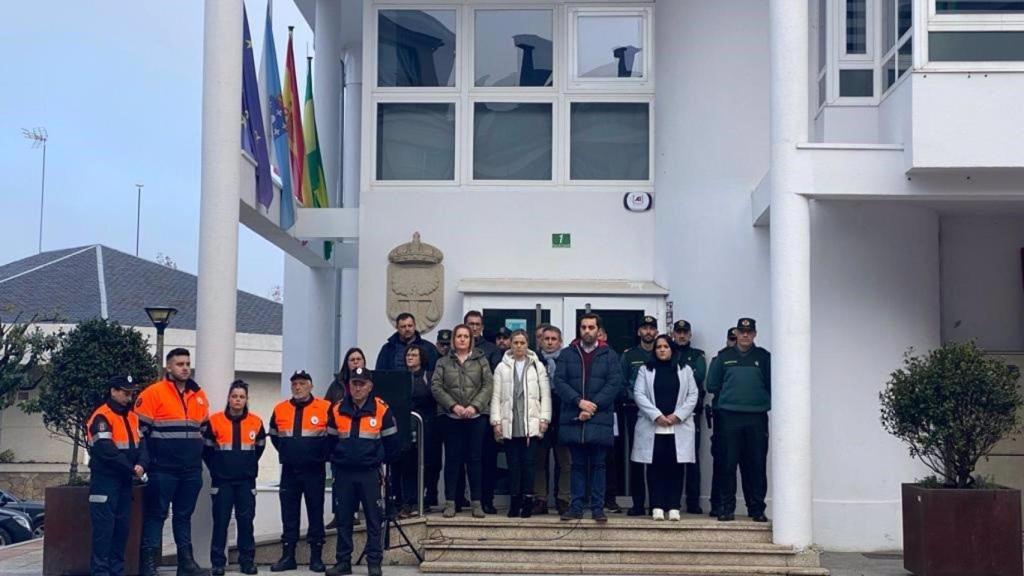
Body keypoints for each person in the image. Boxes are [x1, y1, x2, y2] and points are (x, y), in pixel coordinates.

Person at [135, 348, 210, 576]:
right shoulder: (152, 393)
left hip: (190, 470)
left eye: (187, 363)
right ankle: (148, 566)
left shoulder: (198, 395)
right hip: (162, 469)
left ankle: (186, 564)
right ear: (169, 367)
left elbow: (204, 431)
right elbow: (140, 434)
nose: (185, 367)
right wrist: (146, 464)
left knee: (183, 516)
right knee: (156, 516)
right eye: (180, 364)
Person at [325, 367, 400, 576]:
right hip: (344, 474)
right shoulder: (337, 408)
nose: (357, 388)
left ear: (370, 387)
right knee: (344, 520)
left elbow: (392, 443)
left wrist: (377, 461)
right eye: (354, 383)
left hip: (370, 473)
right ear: (349, 386)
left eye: (361, 384)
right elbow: (329, 442)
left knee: (374, 519)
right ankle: (343, 562)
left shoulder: (382, 409)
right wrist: (339, 461)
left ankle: (374, 563)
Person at [554, 313, 623, 523]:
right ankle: (575, 507)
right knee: (576, 465)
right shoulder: (567, 354)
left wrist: (592, 406)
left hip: (598, 418)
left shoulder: (609, 355)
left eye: (591, 327)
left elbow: (614, 384)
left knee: (599, 466)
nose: (587, 331)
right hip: (574, 416)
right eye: (583, 327)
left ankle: (597, 508)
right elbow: (559, 381)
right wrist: (578, 402)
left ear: (598, 330)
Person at [706, 318, 771, 523]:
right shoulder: (724, 357)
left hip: (756, 416)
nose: (745, 335)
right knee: (727, 464)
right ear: (736, 333)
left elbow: (773, 383)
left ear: (754, 334)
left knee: (756, 464)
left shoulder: (764, 357)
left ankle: (756, 508)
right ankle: (726, 508)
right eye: (741, 332)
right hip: (728, 416)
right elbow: (712, 385)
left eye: (748, 332)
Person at [269, 371, 332, 572]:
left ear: (311, 386)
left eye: (302, 383)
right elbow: (274, 437)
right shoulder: (280, 409)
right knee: (288, 514)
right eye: (294, 383)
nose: (298, 387)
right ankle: (288, 556)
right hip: (289, 470)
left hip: (314, 470)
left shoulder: (324, 407)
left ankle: (316, 557)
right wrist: (290, 453)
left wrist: (318, 455)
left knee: (315, 512)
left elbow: (333, 436)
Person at [631, 335, 699, 521]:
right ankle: (657, 505)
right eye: (658, 347)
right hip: (653, 425)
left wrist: (677, 415)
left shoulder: (684, 370)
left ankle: (674, 506)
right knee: (654, 467)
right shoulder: (645, 370)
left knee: (676, 466)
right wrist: (656, 415)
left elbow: (693, 395)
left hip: (678, 425)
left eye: (666, 346)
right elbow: (639, 394)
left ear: (672, 349)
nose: (662, 349)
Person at [203, 381, 266, 575]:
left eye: (241, 396)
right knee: (220, 522)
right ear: (229, 398)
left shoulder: (256, 421)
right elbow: (206, 450)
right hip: (222, 481)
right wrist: (218, 469)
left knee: (246, 522)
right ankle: (218, 563)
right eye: (234, 396)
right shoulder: (214, 421)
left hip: (246, 481)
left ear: (246, 400)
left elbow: (260, 447)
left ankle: (246, 562)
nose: (237, 400)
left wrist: (247, 465)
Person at [432, 324, 493, 518]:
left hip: (476, 417)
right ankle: (450, 502)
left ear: (471, 339)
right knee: (452, 459)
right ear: (453, 339)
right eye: (458, 336)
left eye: (466, 336)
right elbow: (436, 387)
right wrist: (454, 406)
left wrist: (474, 406)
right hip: (451, 418)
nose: (462, 339)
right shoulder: (443, 362)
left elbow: (488, 385)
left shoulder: (480, 360)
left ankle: (476, 502)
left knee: (475, 459)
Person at [86, 375, 146, 576]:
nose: (128, 397)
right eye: (125, 392)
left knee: (121, 530)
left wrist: (141, 464)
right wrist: (132, 468)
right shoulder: (101, 417)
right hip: (105, 482)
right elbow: (106, 450)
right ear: (113, 391)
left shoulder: (132, 417)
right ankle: (101, 573)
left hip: (124, 482)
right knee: (104, 532)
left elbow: (143, 446)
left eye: (131, 393)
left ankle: (117, 572)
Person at [490, 330, 551, 518]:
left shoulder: (537, 366)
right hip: (510, 422)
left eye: (522, 342)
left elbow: (545, 394)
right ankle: (514, 503)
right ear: (510, 344)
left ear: (528, 344)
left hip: (530, 423)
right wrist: (496, 421)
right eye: (515, 342)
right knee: (513, 465)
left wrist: (544, 419)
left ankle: (527, 501)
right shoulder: (502, 367)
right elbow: (496, 396)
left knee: (529, 465)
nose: (518, 346)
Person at [393, 344, 441, 516]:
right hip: (406, 427)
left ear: (421, 358)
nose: (410, 357)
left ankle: (423, 500)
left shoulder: (429, 376)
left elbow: (433, 397)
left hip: (426, 426)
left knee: (426, 463)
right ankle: (408, 501)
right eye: (408, 355)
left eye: (414, 355)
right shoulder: (400, 378)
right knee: (407, 464)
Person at [325, 348, 367, 530]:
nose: (355, 362)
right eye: (352, 359)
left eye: (358, 359)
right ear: (346, 363)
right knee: (338, 481)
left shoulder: (369, 382)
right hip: (341, 441)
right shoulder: (337, 385)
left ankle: (357, 512)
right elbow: (328, 408)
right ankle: (340, 513)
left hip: (363, 441)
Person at [620, 315, 658, 516]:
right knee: (637, 458)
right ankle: (637, 503)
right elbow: (622, 382)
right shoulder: (630, 355)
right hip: (634, 411)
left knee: (656, 459)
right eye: (644, 328)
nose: (648, 332)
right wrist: (635, 396)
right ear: (639, 332)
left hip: (660, 414)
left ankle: (655, 503)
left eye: (651, 328)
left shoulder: (661, 353)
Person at [463, 311, 499, 514]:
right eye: (470, 324)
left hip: (484, 412)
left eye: (477, 324)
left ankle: (487, 499)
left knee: (486, 459)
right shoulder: (454, 351)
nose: (474, 327)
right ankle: (459, 499)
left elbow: (491, 382)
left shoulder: (491, 350)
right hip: (459, 412)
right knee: (461, 459)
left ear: (482, 327)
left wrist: (476, 403)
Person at [533, 325, 570, 515]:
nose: (549, 342)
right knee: (539, 460)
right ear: (540, 340)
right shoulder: (533, 360)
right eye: (546, 339)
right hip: (539, 415)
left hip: (563, 414)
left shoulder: (568, 360)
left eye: (553, 339)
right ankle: (540, 498)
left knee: (565, 461)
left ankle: (563, 498)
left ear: (560, 342)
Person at [671, 320, 707, 514]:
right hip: (668, 414)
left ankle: (693, 502)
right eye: (679, 332)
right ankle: (672, 501)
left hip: (691, 412)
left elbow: (699, 377)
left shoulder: (697, 355)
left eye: (685, 332)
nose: (682, 336)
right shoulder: (667, 353)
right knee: (670, 459)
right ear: (673, 333)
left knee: (692, 458)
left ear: (690, 335)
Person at [707, 327, 737, 518]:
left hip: (743, 416)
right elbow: (712, 385)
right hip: (722, 415)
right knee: (722, 463)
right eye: (731, 338)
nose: (735, 341)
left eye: (737, 338)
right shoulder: (720, 359)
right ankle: (717, 504)